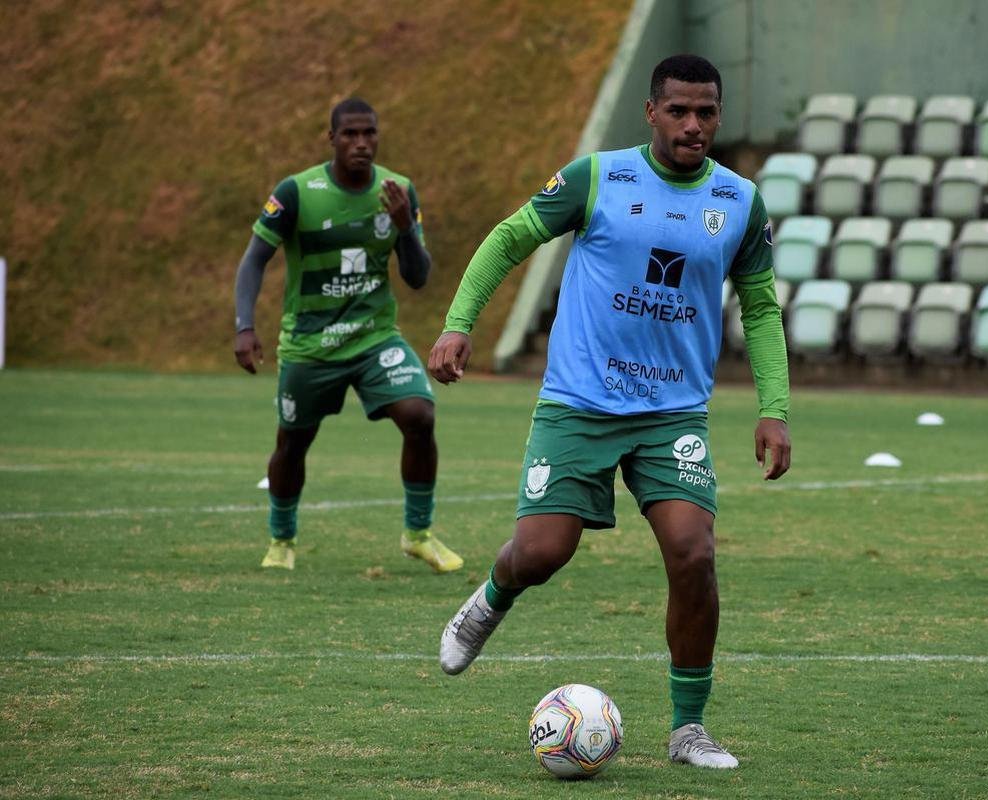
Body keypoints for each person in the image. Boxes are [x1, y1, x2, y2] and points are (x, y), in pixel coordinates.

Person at [427, 55, 791, 768]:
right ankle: (490, 598)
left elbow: (761, 304)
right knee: (541, 552)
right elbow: (510, 238)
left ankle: (689, 730)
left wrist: (773, 408)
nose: (694, 125)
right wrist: (458, 322)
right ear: (651, 112)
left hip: (673, 414)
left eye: (707, 112)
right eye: (680, 110)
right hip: (579, 402)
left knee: (694, 554)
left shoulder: (740, 201)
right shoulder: (597, 178)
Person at [233, 97, 462, 574]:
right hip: (310, 344)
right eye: (350, 134)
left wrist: (404, 230)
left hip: (373, 338)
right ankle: (281, 539)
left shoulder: (398, 192)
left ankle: (418, 534)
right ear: (331, 139)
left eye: (369, 134)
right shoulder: (296, 192)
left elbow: (418, 277)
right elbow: (255, 258)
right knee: (292, 443)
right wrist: (245, 325)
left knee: (420, 414)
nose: (361, 143)